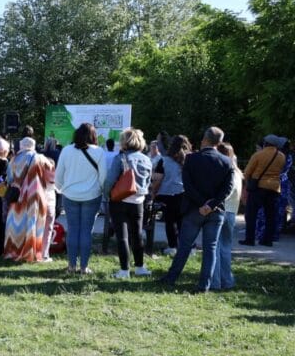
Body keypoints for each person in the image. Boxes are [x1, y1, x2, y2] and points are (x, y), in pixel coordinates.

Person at [161, 127, 234, 292]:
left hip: (194, 208)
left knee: (184, 245)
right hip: (215, 211)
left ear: (204, 140)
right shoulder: (227, 161)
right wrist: (211, 205)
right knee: (211, 249)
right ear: (219, 142)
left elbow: (188, 186)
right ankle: (204, 285)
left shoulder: (191, 159)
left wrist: (202, 204)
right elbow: (227, 190)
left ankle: (171, 277)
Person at [54, 123, 108, 274]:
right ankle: (84, 267)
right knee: (86, 231)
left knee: (72, 230)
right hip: (92, 195)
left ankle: (71, 266)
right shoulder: (99, 152)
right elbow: (103, 177)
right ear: (93, 136)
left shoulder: (66, 150)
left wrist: (61, 188)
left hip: (70, 195)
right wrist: (101, 190)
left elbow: (58, 175)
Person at [103, 128, 153, 278]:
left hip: (120, 200)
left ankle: (124, 270)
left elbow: (110, 180)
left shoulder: (121, 158)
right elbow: (148, 181)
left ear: (125, 142)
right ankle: (140, 267)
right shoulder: (147, 159)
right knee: (137, 234)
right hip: (138, 201)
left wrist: (107, 195)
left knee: (122, 236)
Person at [3, 137, 55, 262]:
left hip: (16, 195)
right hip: (34, 196)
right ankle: (30, 252)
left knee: (17, 225)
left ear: (21, 145)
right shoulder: (40, 158)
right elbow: (52, 178)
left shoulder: (13, 159)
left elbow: (9, 178)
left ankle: (13, 251)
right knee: (33, 224)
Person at [240, 134, 286, 247]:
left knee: (251, 214)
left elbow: (247, 172)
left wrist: (248, 183)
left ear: (265, 143)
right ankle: (267, 240)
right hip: (274, 188)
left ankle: (249, 239)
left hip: (258, 187)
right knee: (270, 215)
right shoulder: (281, 156)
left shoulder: (258, 155)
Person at [211, 142, 242, 291]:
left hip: (221, 211)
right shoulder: (237, 172)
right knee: (225, 248)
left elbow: (224, 192)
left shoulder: (225, 171)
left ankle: (214, 281)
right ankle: (227, 280)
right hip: (232, 213)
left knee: (214, 248)